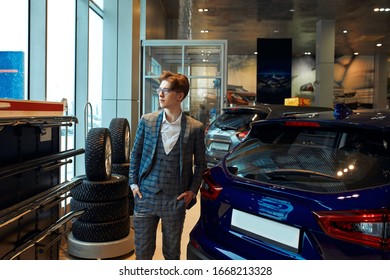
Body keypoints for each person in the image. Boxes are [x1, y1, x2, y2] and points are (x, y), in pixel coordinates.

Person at [129, 70, 207, 260]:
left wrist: (192, 191)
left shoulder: (195, 128)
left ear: (179, 96)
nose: (160, 94)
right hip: (145, 196)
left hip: (175, 198)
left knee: (172, 253)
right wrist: (133, 184)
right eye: (159, 89)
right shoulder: (147, 121)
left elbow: (201, 164)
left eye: (165, 90)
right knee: (143, 252)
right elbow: (135, 154)